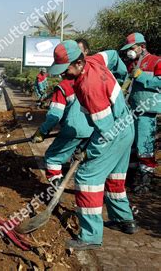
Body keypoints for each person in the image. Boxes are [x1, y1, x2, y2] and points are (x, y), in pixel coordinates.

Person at [49, 40, 137, 251]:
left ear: (79, 63)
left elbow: (106, 132)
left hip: (114, 132)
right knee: (115, 178)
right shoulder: (95, 59)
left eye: (66, 69)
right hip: (127, 127)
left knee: (87, 178)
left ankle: (90, 236)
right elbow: (114, 55)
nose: (63, 74)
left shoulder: (89, 88)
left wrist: (89, 152)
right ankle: (124, 220)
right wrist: (123, 78)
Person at [120, 32, 161, 193]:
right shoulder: (132, 64)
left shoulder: (156, 61)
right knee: (131, 144)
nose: (129, 51)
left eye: (132, 48)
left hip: (147, 111)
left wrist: (143, 77)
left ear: (142, 47)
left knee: (145, 144)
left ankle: (146, 179)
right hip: (132, 110)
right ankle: (131, 175)